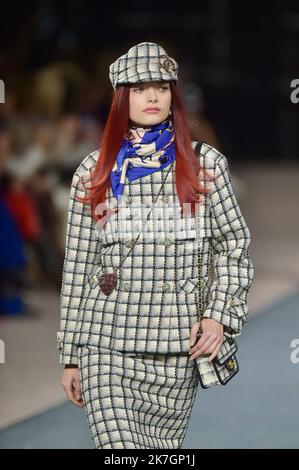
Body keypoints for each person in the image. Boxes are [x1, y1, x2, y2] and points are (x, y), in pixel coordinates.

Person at [57, 42, 254, 449]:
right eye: (139, 87)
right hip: (106, 345)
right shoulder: (93, 172)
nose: (151, 96)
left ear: (173, 96)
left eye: (161, 87)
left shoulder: (205, 165)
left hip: (174, 345)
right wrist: (71, 355)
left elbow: (234, 246)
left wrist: (219, 316)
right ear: (120, 98)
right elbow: (78, 268)